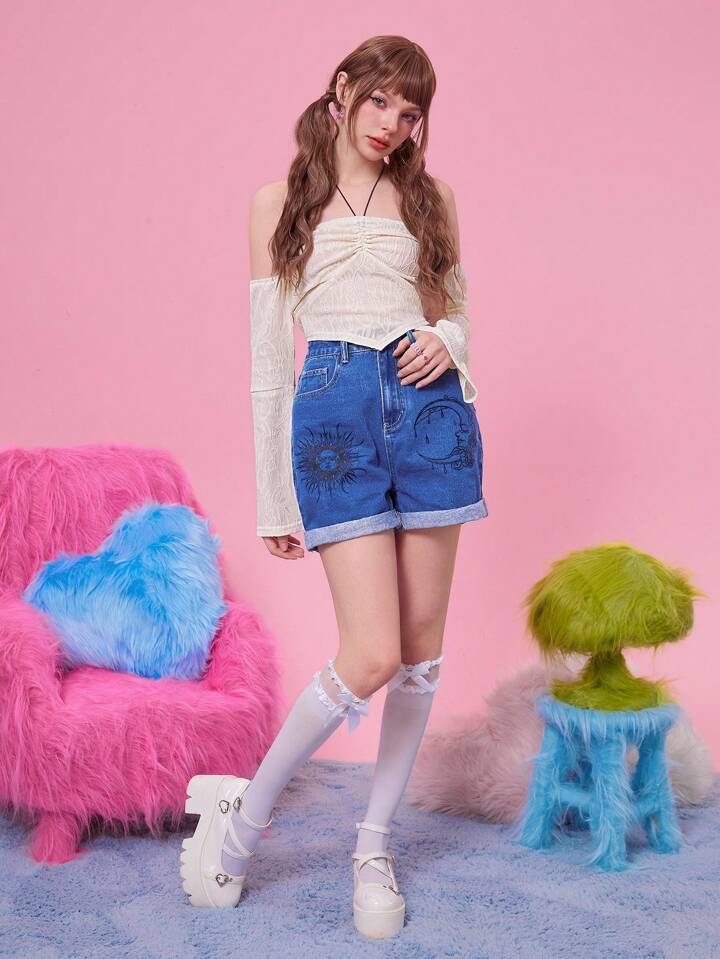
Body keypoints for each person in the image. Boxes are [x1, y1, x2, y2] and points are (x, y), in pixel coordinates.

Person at [180, 35, 488, 939]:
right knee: (372, 651)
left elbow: (457, 312)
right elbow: (270, 363)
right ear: (342, 90)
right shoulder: (279, 202)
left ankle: (373, 845)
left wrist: (449, 342)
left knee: (421, 649)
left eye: (411, 111)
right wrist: (275, 495)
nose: (393, 123)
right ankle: (244, 817)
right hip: (334, 418)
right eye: (381, 100)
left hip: (432, 416)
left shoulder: (432, 198)